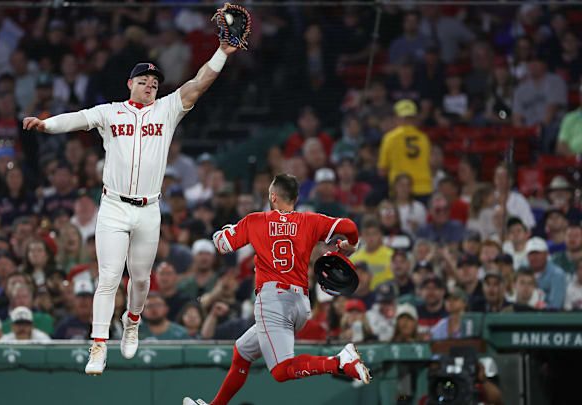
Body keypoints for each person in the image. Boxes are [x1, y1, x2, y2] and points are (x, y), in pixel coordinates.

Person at [24, 40, 239, 373]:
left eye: (154, 83)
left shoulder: (166, 109)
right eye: (143, 81)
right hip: (113, 206)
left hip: (148, 209)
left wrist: (221, 53)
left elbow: (198, 84)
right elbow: (78, 118)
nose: (150, 86)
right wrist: (46, 124)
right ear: (130, 84)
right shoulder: (111, 111)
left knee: (139, 280)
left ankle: (133, 321)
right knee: (108, 278)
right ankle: (98, 345)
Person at [184, 173, 369, 405]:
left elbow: (222, 244)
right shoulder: (310, 221)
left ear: (273, 196)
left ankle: (340, 362)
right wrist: (348, 245)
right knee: (242, 352)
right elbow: (349, 226)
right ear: (296, 197)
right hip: (300, 304)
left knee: (282, 371)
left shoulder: (256, 220)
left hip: (273, 301)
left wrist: (223, 230)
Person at [378, 99, 432, 201]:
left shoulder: (390, 138)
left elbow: (382, 170)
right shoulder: (424, 137)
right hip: (423, 188)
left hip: (400, 190)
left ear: (396, 117)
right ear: (415, 118)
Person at [350, 218, 393, 289]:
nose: (371, 238)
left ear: (381, 235)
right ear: (362, 236)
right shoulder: (354, 258)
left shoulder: (391, 256)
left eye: (374, 233)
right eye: (367, 234)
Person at [526, 237, 567, 309]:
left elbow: (555, 306)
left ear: (546, 254)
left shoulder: (557, 274)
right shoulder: (522, 271)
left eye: (537, 253)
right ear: (527, 256)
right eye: (531, 253)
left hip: (548, 318)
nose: (534, 257)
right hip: (523, 315)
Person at [416, 275, 448, 339]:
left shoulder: (449, 313)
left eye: (435, 288)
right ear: (421, 292)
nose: (431, 292)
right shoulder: (415, 313)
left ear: (443, 292)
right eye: (427, 288)